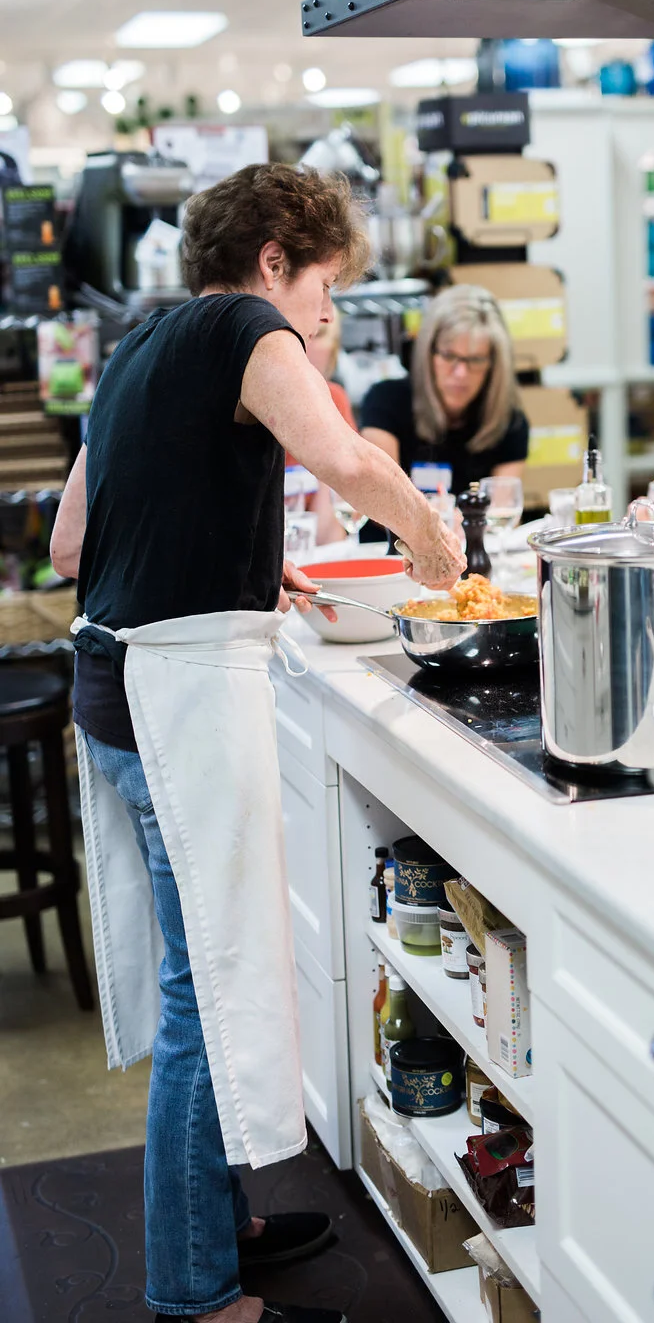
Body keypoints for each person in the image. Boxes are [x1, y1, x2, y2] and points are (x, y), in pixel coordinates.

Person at [49, 162, 464, 1323]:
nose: (328, 315)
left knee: (212, 972)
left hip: (114, 682)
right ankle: (197, 1291)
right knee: (207, 991)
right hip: (174, 696)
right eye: (325, 284)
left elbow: (79, 539)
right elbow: (343, 459)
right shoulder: (244, 322)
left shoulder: (140, 341)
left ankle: (217, 1219)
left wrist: (237, 557)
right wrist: (437, 551)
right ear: (275, 261)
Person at [360, 284, 529, 504]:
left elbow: (502, 513)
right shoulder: (385, 401)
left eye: (475, 359)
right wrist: (444, 522)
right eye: (449, 356)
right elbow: (379, 502)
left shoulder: (509, 423)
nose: (460, 373)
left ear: (494, 366)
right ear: (428, 352)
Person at [284, 304, 358, 544]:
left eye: (320, 335)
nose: (307, 345)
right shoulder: (249, 408)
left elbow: (332, 530)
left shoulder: (335, 400)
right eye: (299, 333)